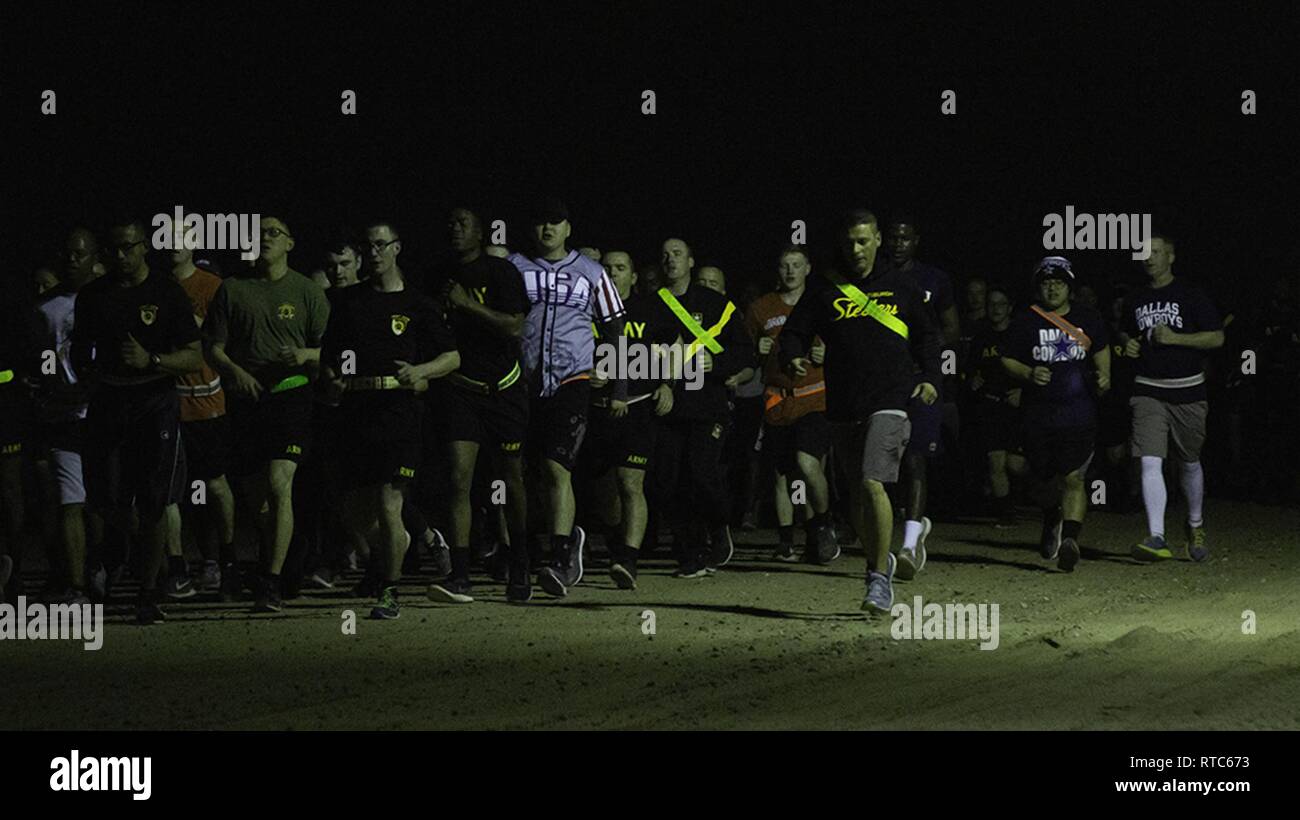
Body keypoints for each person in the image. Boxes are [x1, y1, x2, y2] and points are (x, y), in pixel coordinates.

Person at [780, 209, 941, 613]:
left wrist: (932, 378)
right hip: (843, 402)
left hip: (891, 399)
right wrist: (793, 356)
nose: (856, 249)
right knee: (856, 491)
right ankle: (879, 559)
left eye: (864, 241)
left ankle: (877, 577)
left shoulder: (902, 286)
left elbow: (927, 336)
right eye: (850, 241)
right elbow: (795, 331)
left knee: (873, 482)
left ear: (878, 241)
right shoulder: (825, 286)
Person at [322, 221, 460, 619]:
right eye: (369, 246)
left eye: (382, 245)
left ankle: (390, 590)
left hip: (400, 411)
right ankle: (409, 549)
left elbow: (452, 357)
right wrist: (332, 379)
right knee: (355, 512)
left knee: (389, 500)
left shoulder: (419, 304)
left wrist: (421, 371)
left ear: (397, 248)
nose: (375, 253)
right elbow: (331, 354)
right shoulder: (350, 301)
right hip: (356, 409)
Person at [71, 218, 205, 623]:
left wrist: (154, 360)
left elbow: (194, 355)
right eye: (114, 249)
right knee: (105, 498)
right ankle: (134, 552)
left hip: (154, 401)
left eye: (129, 247)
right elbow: (79, 348)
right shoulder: (94, 295)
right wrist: (87, 371)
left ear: (145, 247)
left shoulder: (166, 292)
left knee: (153, 501)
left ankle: (148, 592)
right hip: (109, 402)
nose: (121, 256)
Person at [205, 215, 329, 612]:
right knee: (257, 499)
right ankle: (284, 558)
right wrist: (235, 373)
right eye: (257, 235)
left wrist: (306, 355)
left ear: (290, 242)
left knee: (280, 483)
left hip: (291, 395)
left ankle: (269, 582)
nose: (264, 240)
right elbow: (213, 347)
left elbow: (338, 350)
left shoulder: (307, 291)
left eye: (274, 233)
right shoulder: (233, 289)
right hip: (247, 399)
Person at [509, 198, 626, 597]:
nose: (548, 229)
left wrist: (614, 379)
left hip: (572, 381)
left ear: (568, 228)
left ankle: (558, 560)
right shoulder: (514, 268)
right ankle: (533, 550)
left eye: (555, 222)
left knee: (558, 468)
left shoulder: (591, 273)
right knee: (528, 474)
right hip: (522, 383)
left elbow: (616, 328)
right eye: (541, 221)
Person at [426, 206, 531, 603]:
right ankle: (461, 573)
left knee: (510, 478)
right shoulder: (436, 274)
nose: (454, 229)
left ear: (480, 232)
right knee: (458, 478)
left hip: (503, 388)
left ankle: (520, 563)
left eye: (463, 224)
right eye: (449, 223)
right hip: (458, 388)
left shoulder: (500, 272)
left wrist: (467, 305)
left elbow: (515, 325)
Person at [651, 238, 755, 578]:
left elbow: (745, 353)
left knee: (701, 473)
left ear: (691, 261)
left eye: (678, 254)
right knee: (669, 482)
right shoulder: (650, 306)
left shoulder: (715, 304)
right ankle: (690, 553)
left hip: (708, 406)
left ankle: (718, 523)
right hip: (667, 408)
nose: (671, 260)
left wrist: (719, 362)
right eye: (665, 255)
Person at [1000, 256, 1110, 573]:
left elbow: (1100, 349)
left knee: (1074, 477)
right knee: (1038, 478)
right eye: (1046, 283)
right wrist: (1028, 373)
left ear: (1069, 287)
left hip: (1079, 414)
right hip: (1037, 416)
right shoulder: (1025, 321)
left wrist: (1104, 376)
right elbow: (1006, 359)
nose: (1052, 288)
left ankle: (1070, 540)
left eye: (1059, 283)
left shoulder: (1088, 318)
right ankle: (1051, 515)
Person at [1117, 234, 1224, 561]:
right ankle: (1157, 536)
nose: (1149, 258)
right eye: (1144, 253)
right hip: (1148, 389)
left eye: (1157, 252)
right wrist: (1128, 344)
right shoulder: (1134, 298)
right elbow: (1125, 334)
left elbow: (1217, 338)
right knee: (1150, 460)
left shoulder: (1191, 294)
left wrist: (1176, 338)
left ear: (1171, 256)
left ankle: (1195, 523)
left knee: (1189, 462)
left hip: (1188, 390)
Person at [586, 250, 676, 588]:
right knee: (604, 494)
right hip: (595, 411)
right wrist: (587, 373)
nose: (612, 273)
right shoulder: (587, 309)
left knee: (630, 483)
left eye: (620, 268)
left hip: (637, 407)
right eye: (606, 268)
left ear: (634, 276)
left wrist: (668, 383)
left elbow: (674, 347)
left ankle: (628, 558)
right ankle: (614, 540)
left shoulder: (650, 309)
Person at [745, 245, 836, 563]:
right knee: (782, 475)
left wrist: (830, 354)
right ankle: (788, 541)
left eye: (797, 265)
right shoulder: (761, 308)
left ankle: (821, 528)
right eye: (785, 265)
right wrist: (758, 348)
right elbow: (746, 353)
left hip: (814, 397)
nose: (790, 271)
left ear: (808, 268)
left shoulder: (824, 303)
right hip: (778, 401)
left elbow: (849, 343)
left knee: (808, 465)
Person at [886, 216, 960, 578]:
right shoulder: (876, 279)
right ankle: (895, 524)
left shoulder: (935, 279)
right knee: (885, 463)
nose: (899, 243)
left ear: (916, 240)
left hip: (923, 379)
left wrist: (926, 353)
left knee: (916, 457)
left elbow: (952, 328)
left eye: (905, 237)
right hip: (884, 381)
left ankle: (910, 543)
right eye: (893, 237)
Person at [167, 227, 237, 599]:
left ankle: (225, 560)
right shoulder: (154, 286)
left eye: (179, 237)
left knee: (214, 484)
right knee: (171, 491)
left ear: (193, 243)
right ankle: (178, 567)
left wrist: (189, 321)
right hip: (164, 404)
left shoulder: (212, 286)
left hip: (207, 402)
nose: (172, 244)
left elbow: (220, 341)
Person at [966, 286, 1027, 526]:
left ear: (1010, 307)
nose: (996, 309)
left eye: (1001, 304)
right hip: (991, 406)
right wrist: (973, 380)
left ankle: (1037, 496)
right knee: (995, 461)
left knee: (1017, 464)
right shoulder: (981, 337)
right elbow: (970, 367)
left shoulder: (1020, 333)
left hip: (1018, 406)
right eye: (992, 304)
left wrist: (1025, 391)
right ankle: (1006, 512)